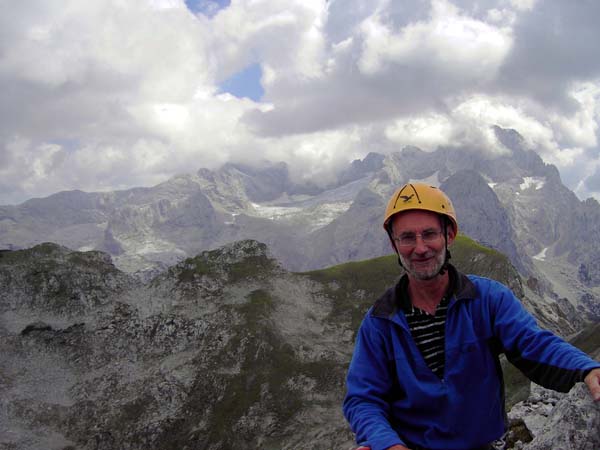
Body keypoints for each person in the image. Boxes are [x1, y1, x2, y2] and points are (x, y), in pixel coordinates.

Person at [342, 182, 600, 450]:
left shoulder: (488, 299)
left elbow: (533, 344)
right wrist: (386, 443)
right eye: (407, 237)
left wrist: (586, 368)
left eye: (429, 234)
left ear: (449, 234)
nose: (420, 248)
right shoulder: (380, 322)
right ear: (394, 244)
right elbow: (363, 399)